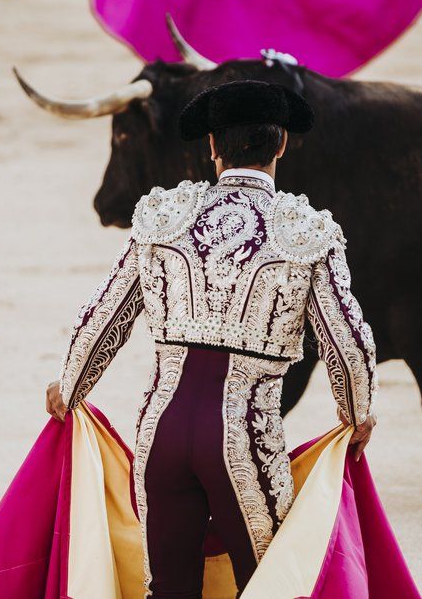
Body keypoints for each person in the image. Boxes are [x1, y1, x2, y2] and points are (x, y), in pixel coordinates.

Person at [44, 79, 377, 598]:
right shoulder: (306, 231)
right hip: (245, 438)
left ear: (213, 146)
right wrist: (358, 415)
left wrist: (69, 386)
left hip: (162, 432)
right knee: (268, 587)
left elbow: (105, 314)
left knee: (169, 592)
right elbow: (348, 342)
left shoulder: (164, 217)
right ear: (281, 144)